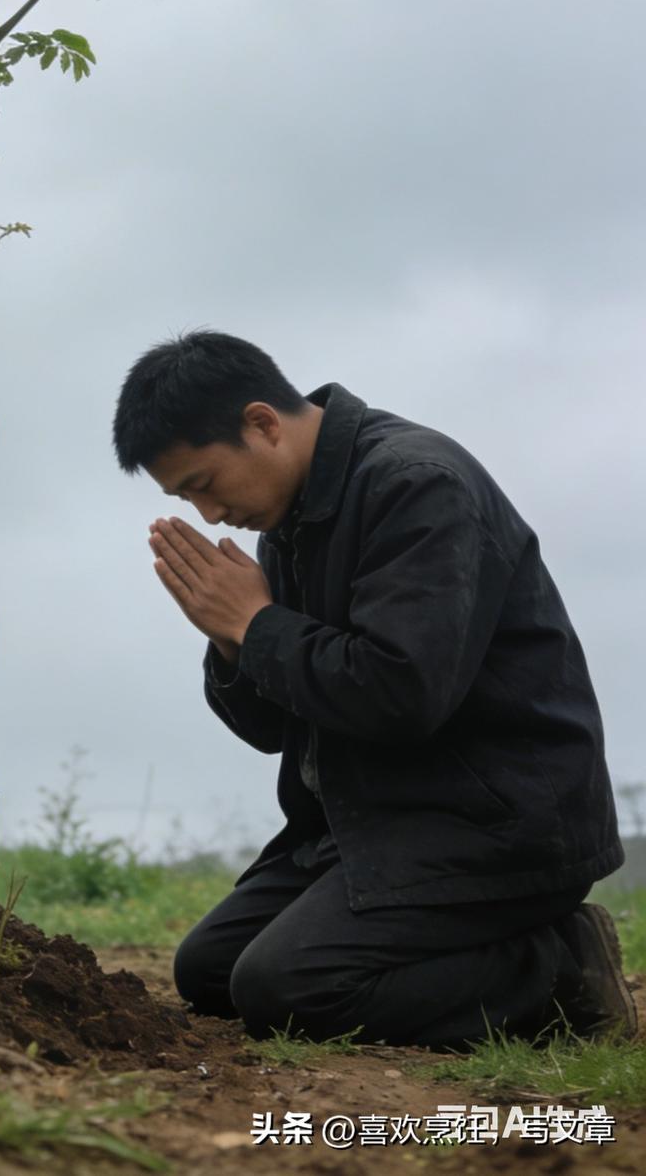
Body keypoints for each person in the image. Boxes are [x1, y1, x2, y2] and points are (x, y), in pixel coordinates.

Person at [111, 330, 635, 1051]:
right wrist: (234, 640)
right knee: (209, 970)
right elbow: (276, 728)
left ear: (262, 424)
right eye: (183, 497)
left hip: (496, 824)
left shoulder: (416, 483)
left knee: (286, 989)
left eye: (203, 483)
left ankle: (560, 967)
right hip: (377, 822)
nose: (207, 514)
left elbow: (401, 695)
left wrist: (258, 623)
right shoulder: (289, 518)